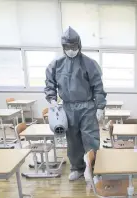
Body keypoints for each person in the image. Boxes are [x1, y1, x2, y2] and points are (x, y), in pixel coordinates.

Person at [45, 27, 107, 181]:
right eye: (68, 47)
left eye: (74, 47)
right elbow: (49, 84)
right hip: (67, 107)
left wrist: (100, 106)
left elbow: (98, 87)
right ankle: (77, 168)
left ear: (79, 45)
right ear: (63, 47)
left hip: (87, 106)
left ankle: (94, 169)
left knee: (90, 138)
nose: (71, 50)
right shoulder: (56, 65)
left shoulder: (89, 64)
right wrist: (52, 100)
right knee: (73, 140)